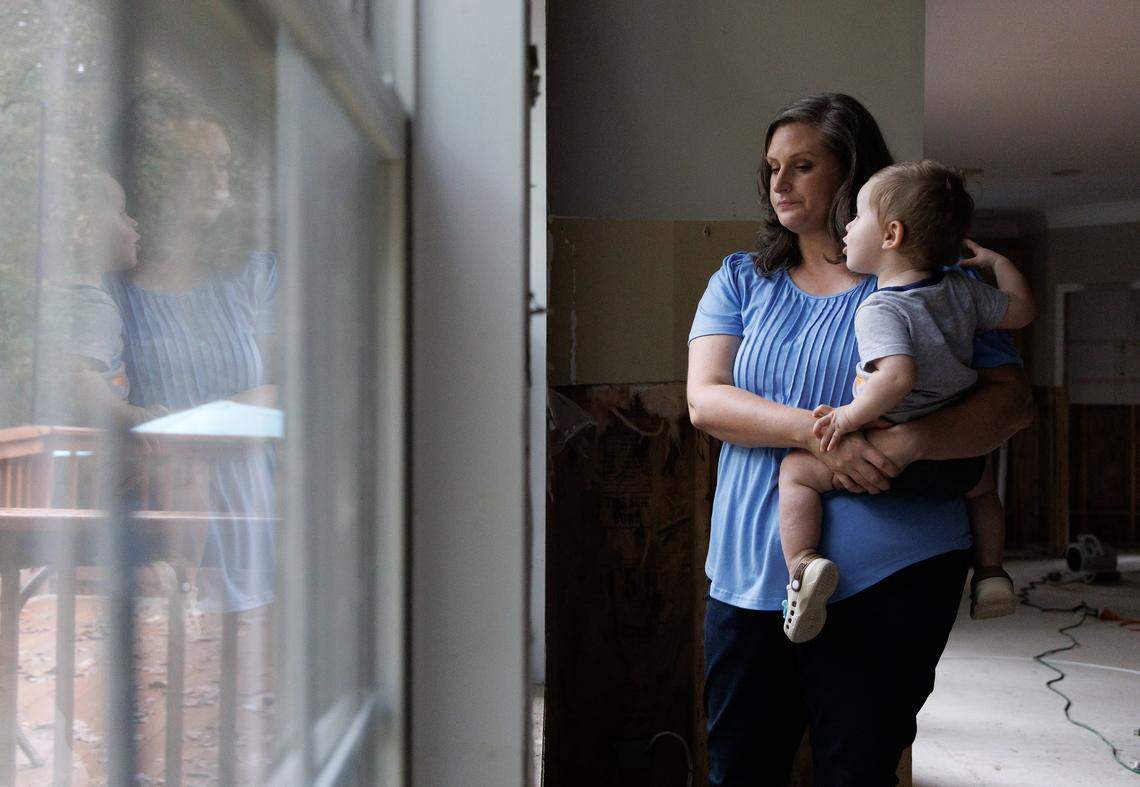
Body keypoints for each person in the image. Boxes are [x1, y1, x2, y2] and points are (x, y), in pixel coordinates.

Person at [686, 93, 1032, 785]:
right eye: (773, 167)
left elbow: (1013, 404)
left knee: (858, 771)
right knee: (738, 770)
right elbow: (706, 400)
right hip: (751, 576)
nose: (780, 182)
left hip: (894, 577)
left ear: (849, 173)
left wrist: (912, 444)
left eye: (803, 165)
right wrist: (819, 439)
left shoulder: (936, 287)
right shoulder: (740, 280)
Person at [777, 160, 1034, 643]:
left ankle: (803, 567)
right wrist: (998, 264)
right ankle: (993, 573)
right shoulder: (963, 289)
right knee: (983, 490)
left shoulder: (881, 306)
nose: (847, 227)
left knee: (795, 472)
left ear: (891, 235)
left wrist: (848, 416)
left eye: (855, 218)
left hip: (886, 453)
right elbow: (1020, 312)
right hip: (956, 457)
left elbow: (895, 378)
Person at [107, 90, 277, 613]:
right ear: (147, 176)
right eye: (192, 165)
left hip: (251, 520)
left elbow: (292, 384)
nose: (216, 180)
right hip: (156, 528)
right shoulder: (109, 293)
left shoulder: (252, 276)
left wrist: (188, 429)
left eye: (222, 165)